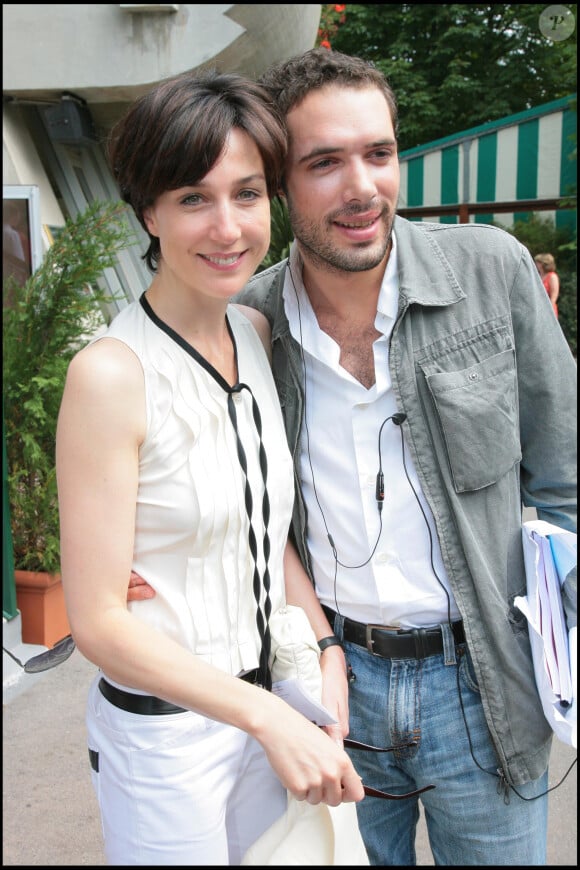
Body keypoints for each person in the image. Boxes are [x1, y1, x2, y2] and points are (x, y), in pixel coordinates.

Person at [127, 49, 577, 864]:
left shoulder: (493, 272)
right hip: (328, 688)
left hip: (481, 684)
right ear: (279, 184)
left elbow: (570, 476)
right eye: (324, 163)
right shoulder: (250, 324)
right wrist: (152, 559)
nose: (362, 187)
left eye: (379, 152)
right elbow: (212, 484)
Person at [55, 67, 364, 867]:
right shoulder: (112, 373)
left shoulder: (256, 337)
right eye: (193, 197)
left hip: (271, 710)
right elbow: (96, 622)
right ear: (148, 210)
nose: (228, 227)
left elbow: (269, 534)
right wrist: (265, 721)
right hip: (167, 744)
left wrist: (324, 651)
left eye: (249, 193)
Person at [534, 252, 560, 317]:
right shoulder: (538, 276)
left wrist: (548, 310)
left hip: (548, 309)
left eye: (537, 262)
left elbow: (554, 296)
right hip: (537, 308)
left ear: (543, 263)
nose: (535, 264)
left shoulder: (552, 276)